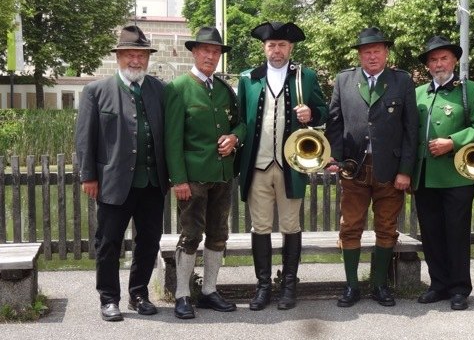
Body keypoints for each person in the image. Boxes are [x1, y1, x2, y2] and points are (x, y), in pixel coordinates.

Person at [75, 25, 168, 322]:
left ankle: (139, 293)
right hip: (114, 182)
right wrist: (88, 176)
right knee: (109, 241)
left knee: (149, 241)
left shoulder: (159, 90)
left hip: (152, 182)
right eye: (129, 54)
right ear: (118, 57)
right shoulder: (96, 91)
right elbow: (84, 138)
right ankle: (109, 298)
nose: (135, 60)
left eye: (141, 55)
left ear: (147, 58)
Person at [236, 21, 328, 311]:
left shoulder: (306, 76)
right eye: (272, 45)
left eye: (283, 45)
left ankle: (289, 285)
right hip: (258, 164)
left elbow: (325, 111)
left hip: (291, 164)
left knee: (290, 225)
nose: (277, 50)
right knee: (260, 227)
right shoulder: (248, 78)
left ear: (291, 48)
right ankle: (263, 287)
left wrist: (311, 113)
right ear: (264, 47)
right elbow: (239, 119)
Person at [325, 27, 418, 307]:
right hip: (353, 169)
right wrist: (335, 158)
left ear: (386, 53)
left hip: (389, 170)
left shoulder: (401, 81)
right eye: (367, 51)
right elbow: (334, 122)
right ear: (360, 55)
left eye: (377, 50)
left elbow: (410, 129)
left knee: (387, 228)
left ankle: (379, 285)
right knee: (350, 227)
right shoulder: (344, 80)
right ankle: (352, 286)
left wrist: (405, 170)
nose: (372, 56)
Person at [164, 26, 246, 319]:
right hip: (193, 178)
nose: (210, 56)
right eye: (205, 50)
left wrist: (235, 138)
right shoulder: (177, 89)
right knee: (190, 235)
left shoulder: (224, 90)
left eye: (215, 52)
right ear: (194, 52)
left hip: (222, 175)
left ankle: (209, 290)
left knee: (219, 233)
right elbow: (171, 139)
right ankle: (183, 295)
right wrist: (179, 179)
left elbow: (241, 124)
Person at [410, 36, 474, 310]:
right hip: (425, 175)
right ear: (427, 66)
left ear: (454, 60)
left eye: (443, 58)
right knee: (431, 234)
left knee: (456, 233)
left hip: (456, 175)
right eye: (433, 59)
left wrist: (452, 142)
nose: (438, 63)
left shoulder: (471, 90)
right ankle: (438, 285)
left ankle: (459, 288)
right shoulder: (418, 93)